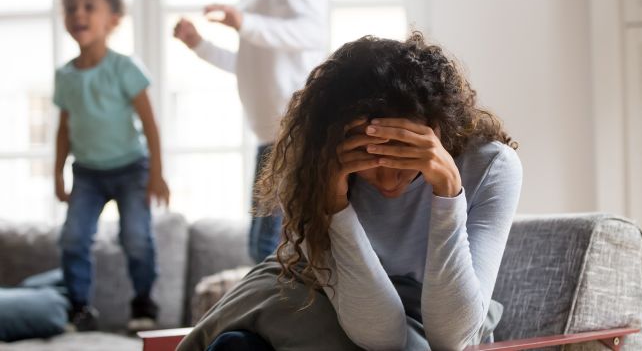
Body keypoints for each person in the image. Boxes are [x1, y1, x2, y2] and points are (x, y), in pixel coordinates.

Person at [177, 33, 524, 351]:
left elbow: (453, 337)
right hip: (323, 295)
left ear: (436, 128)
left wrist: (448, 192)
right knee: (235, 346)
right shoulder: (313, 166)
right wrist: (334, 205)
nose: (388, 180)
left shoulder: (490, 166)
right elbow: (381, 334)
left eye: (402, 155)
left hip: (431, 314)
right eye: (368, 158)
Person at [173, 0, 328, 264]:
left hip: (294, 130)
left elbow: (313, 34)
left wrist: (245, 22)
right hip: (270, 134)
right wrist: (198, 44)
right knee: (262, 243)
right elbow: (245, 65)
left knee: (270, 244)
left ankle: (274, 312)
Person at [54, 0, 170, 332]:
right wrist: (58, 173)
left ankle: (143, 304)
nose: (79, 14)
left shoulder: (124, 67)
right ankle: (79, 309)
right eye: (72, 7)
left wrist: (156, 173)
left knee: (136, 237)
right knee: (73, 238)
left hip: (131, 168)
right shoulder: (65, 76)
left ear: (113, 20)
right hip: (87, 173)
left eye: (90, 6)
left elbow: (150, 124)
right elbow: (63, 130)